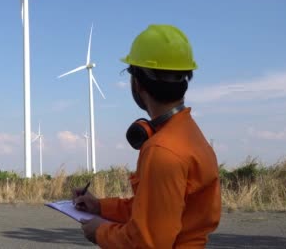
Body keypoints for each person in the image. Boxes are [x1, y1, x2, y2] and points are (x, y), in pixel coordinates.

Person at [73, 24, 221, 248]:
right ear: (185, 79)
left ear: (138, 83)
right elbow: (156, 210)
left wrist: (100, 232)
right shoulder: (189, 135)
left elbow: (148, 242)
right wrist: (99, 207)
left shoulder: (162, 151)